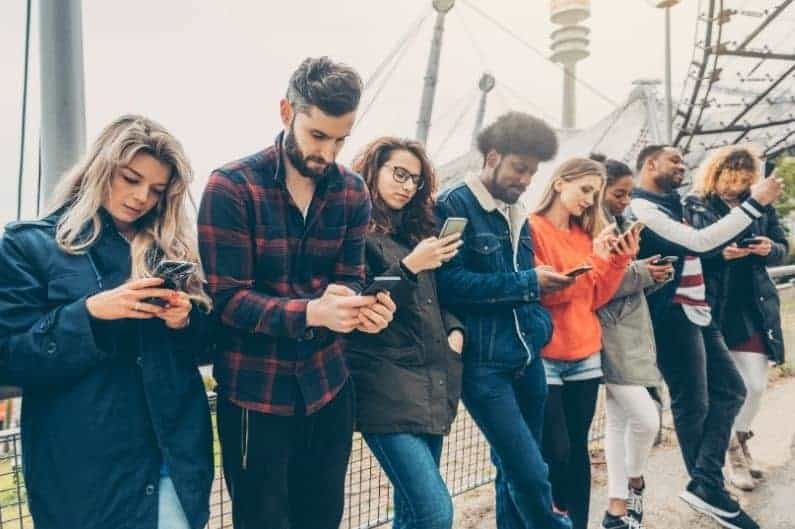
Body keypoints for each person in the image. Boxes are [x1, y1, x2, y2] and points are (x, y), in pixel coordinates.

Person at [198, 56, 396, 529]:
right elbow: (228, 301)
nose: (328, 152)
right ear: (287, 112)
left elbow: (349, 275)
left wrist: (359, 308)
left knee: (323, 519)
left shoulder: (352, 191)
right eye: (318, 136)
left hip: (329, 388)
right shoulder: (231, 187)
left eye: (341, 138)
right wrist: (312, 313)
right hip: (254, 395)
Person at [0, 115, 214, 529]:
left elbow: (208, 345)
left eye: (155, 189)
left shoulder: (170, 248)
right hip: (84, 475)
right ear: (101, 167)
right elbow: (10, 357)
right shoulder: (28, 246)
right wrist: (90, 314)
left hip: (173, 459)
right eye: (130, 178)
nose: (141, 197)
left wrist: (185, 319)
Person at [628, 144, 783, 529]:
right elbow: (699, 243)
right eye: (674, 160)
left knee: (732, 390)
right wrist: (755, 204)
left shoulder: (675, 204)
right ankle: (709, 487)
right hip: (671, 313)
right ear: (650, 164)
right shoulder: (644, 209)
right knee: (691, 402)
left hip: (699, 309)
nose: (682, 165)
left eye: (684, 160)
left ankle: (706, 482)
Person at [436, 111, 573, 529]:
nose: (526, 179)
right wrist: (529, 283)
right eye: (519, 168)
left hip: (527, 358)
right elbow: (451, 283)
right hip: (484, 367)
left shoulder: (518, 210)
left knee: (511, 471)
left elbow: (524, 275)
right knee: (532, 475)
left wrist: (538, 323)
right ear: (492, 156)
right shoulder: (452, 206)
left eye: (532, 172)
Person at [346, 137, 464, 529]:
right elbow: (359, 303)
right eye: (399, 173)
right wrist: (411, 266)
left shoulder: (415, 235)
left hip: (430, 383)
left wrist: (455, 330)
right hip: (384, 387)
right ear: (372, 170)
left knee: (412, 514)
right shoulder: (353, 232)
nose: (407, 185)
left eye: (415, 179)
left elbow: (437, 300)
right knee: (435, 513)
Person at [529, 157, 636, 529]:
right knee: (554, 451)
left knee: (577, 451)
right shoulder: (532, 229)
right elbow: (548, 295)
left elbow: (593, 298)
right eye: (585, 190)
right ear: (560, 182)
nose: (591, 201)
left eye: (595, 193)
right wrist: (595, 259)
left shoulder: (583, 234)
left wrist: (617, 261)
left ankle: (578, 523)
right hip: (546, 356)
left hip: (584, 353)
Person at [683, 145, 788, 491]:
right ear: (716, 174)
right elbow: (689, 250)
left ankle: (740, 437)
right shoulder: (695, 204)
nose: (738, 187)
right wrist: (717, 255)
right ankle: (731, 453)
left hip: (751, 304)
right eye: (732, 179)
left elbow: (782, 247)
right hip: (713, 305)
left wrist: (768, 249)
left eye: (746, 181)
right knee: (726, 388)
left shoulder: (763, 203)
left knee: (756, 386)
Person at [592, 154, 673, 529]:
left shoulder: (620, 221)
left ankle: (617, 506)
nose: (626, 201)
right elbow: (596, 284)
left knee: (622, 421)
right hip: (610, 332)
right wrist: (641, 272)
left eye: (628, 194)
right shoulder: (595, 226)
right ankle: (634, 482)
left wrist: (651, 274)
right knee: (645, 418)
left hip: (629, 328)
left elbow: (622, 278)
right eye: (620, 194)